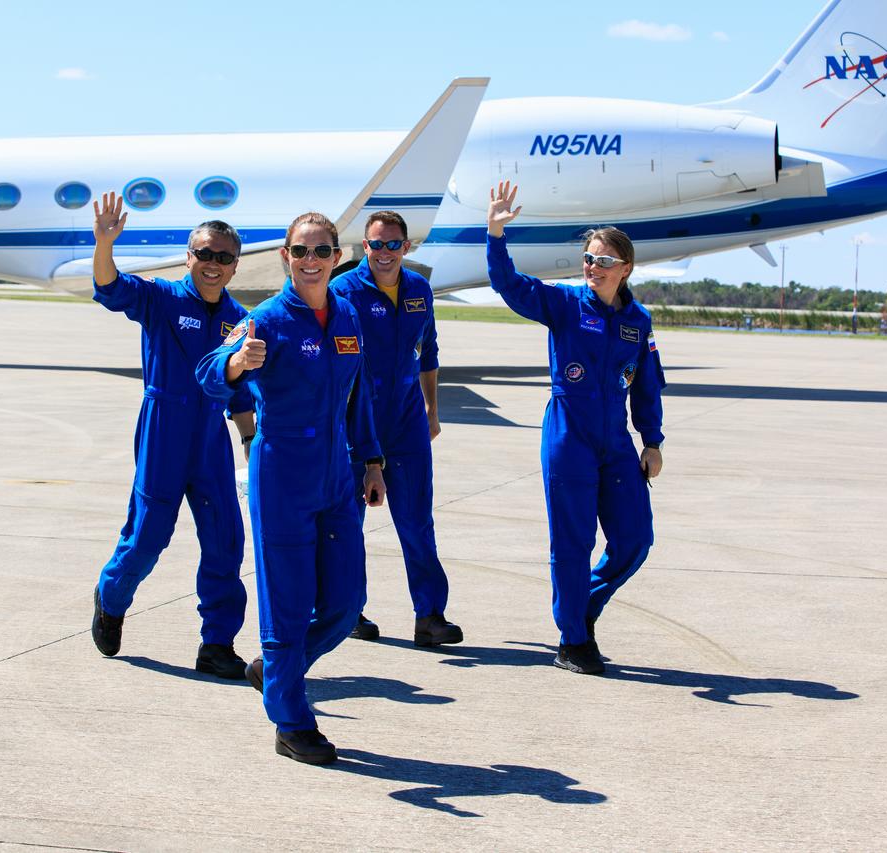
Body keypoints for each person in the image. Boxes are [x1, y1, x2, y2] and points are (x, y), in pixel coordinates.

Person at [197, 212, 386, 765]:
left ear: (335, 257)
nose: (310, 261)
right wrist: (236, 363)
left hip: (337, 473)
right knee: (287, 603)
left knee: (346, 604)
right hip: (282, 471)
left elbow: (359, 398)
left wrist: (372, 462)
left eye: (321, 251)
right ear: (286, 256)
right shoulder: (267, 319)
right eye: (300, 252)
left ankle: (274, 668)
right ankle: (290, 720)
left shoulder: (348, 314)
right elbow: (208, 372)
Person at [485, 181, 665, 675]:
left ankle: (581, 608)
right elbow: (509, 285)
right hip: (568, 435)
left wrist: (652, 441)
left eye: (604, 261)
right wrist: (496, 234)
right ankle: (572, 639)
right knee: (573, 541)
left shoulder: (638, 321)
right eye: (588, 258)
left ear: (625, 269)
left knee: (635, 540)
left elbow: (646, 386)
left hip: (616, 440)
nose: (593, 268)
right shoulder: (565, 305)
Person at [89, 191, 255, 681]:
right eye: (204, 253)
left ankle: (217, 642)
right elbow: (111, 287)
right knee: (148, 536)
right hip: (164, 429)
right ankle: (111, 597)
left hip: (210, 440)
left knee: (226, 540)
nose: (213, 264)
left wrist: (250, 444)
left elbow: (242, 393)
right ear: (190, 255)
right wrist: (105, 244)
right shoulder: (161, 299)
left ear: (234, 266)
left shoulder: (240, 321)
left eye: (224, 258)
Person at [329, 210, 461, 647]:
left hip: (406, 420)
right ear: (364, 247)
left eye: (393, 244)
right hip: (357, 416)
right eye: (376, 244)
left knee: (417, 519)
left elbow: (429, 352)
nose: (385, 253)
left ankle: (430, 616)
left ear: (407, 246)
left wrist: (432, 409)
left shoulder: (420, 290)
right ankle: (348, 610)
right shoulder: (342, 291)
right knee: (348, 521)